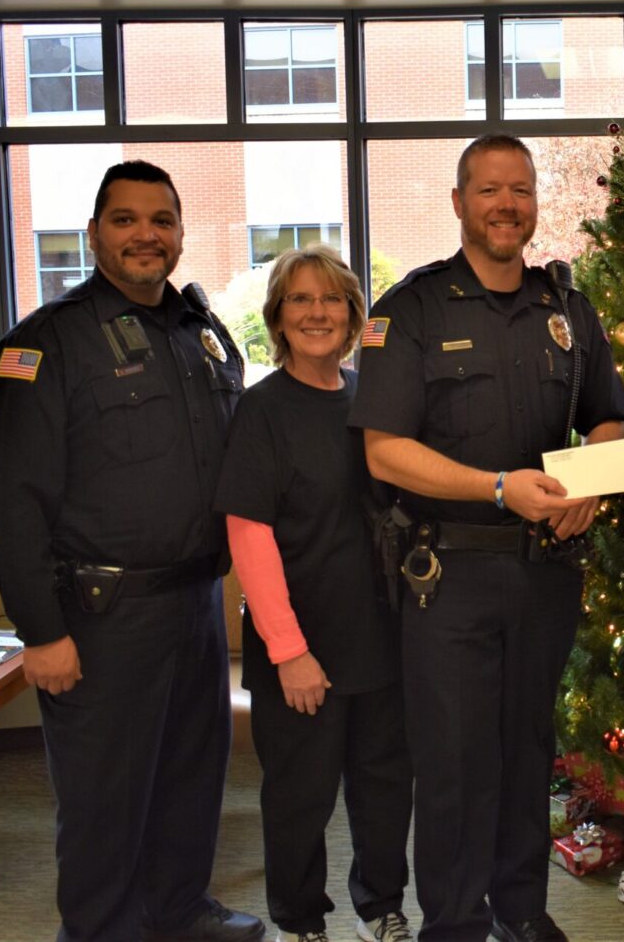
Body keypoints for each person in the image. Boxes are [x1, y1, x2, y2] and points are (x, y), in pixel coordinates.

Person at [349, 134, 624, 942]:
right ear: (459, 202)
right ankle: (453, 922)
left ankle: (519, 908)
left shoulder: (566, 309)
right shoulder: (411, 310)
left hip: (545, 573)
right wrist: (498, 487)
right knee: (454, 761)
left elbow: (609, 417)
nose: (507, 204)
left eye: (521, 190)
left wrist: (590, 479)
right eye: (489, 190)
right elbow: (384, 450)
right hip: (449, 574)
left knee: (527, 749)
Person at [0, 160, 263, 942]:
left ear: (180, 233)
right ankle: (101, 929)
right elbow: (13, 503)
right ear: (94, 232)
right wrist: (41, 630)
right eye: (126, 219)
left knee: (189, 774)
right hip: (101, 615)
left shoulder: (199, 333)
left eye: (161, 220)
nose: (146, 234)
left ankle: (180, 908)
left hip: (195, 601)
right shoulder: (47, 343)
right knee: (104, 798)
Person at [214, 245, 412, 942]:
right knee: (300, 797)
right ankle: (300, 921)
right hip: (300, 647)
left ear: (353, 315)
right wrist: (289, 650)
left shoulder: (372, 400)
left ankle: (380, 907)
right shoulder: (261, 410)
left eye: (331, 299)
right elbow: (249, 536)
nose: (317, 313)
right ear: (278, 316)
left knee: (384, 788)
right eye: (300, 299)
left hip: (380, 637)